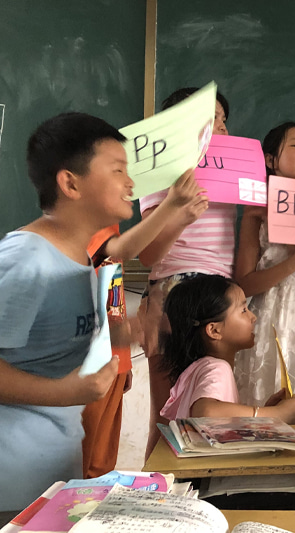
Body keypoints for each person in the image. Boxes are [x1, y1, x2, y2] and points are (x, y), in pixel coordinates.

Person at [0, 113, 129, 511]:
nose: (131, 183)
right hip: (10, 481)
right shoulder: (27, 259)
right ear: (70, 182)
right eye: (118, 170)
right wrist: (66, 392)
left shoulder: (80, 261)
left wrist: (132, 332)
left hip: (50, 475)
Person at [82, 169, 202, 478]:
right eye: (116, 170)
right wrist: (172, 207)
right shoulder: (86, 228)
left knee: (100, 462)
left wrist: (124, 362)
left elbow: (112, 289)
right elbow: (112, 265)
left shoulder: (109, 225)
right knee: (84, 464)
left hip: (111, 361)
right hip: (89, 368)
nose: (130, 184)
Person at [138, 87, 232, 458]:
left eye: (224, 120)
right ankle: (150, 506)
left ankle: (203, 509)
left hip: (220, 295)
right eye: (212, 120)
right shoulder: (158, 169)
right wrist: (181, 216)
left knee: (211, 418)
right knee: (167, 422)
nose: (221, 128)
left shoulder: (235, 174)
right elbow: (147, 253)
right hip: (171, 290)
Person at [235, 122, 295, 406]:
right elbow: (244, 282)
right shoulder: (255, 211)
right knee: (266, 393)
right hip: (267, 316)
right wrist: (291, 264)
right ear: (270, 160)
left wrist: (283, 222)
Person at [159, 274, 295, 423]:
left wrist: (264, 416)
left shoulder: (201, 368)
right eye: (244, 310)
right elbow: (206, 412)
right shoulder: (218, 368)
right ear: (214, 331)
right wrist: (274, 414)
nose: (253, 317)